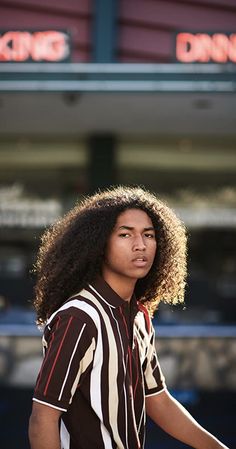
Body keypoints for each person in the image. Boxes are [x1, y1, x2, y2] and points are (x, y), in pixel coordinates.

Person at [29, 186, 229, 449]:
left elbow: (158, 399)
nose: (140, 245)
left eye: (149, 235)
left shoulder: (139, 317)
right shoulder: (79, 318)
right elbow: (42, 418)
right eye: (125, 234)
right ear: (98, 245)